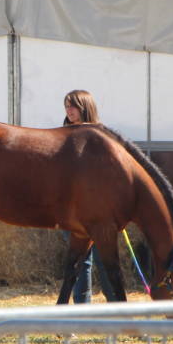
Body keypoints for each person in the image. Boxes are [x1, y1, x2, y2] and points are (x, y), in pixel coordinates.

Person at [61, 89, 114, 303]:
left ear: (85, 107)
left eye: (73, 105)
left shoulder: (101, 135)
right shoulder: (63, 135)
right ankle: (83, 308)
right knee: (82, 261)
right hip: (72, 210)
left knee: (105, 260)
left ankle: (116, 306)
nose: (68, 110)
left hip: (98, 210)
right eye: (66, 105)